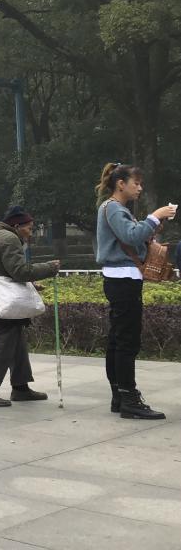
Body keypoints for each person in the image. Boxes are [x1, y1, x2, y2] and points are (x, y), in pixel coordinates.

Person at [94, 163, 175, 419]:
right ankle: (129, 399)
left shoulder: (115, 209)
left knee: (118, 339)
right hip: (123, 279)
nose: (139, 188)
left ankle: (120, 397)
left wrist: (152, 226)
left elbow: (133, 237)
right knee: (127, 341)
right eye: (136, 183)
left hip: (121, 279)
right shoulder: (113, 208)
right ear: (121, 184)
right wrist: (155, 215)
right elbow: (130, 237)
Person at [0, 206, 60, 408]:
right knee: (3, 345)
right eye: (29, 228)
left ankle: (20, 388)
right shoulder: (9, 238)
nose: (31, 232)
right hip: (0, 303)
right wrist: (49, 268)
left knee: (16, 342)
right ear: (17, 226)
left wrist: (31, 283)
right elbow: (20, 271)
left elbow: (2, 271)